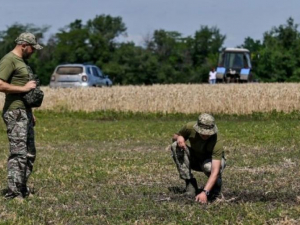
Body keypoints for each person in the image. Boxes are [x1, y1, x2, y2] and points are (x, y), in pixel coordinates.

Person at [0, 32, 43, 199]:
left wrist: (29, 111)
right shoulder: (9, 60)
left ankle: (21, 188)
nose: (33, 51)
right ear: (24, 45)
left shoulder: (22, 62)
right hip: (14, 112)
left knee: (30, 153)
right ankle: (13, 193)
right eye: (32, 48)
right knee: (18, 153)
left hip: (23, 111)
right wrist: (24, 89)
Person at [171, 113, 226, 204]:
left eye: (208, 134)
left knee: (208, 167)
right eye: (202, 133)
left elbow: (215, 170)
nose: (205, 135)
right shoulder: (189, 127)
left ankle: (215, 187)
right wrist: (180, 137)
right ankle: (190, 183)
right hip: (195, 158)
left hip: (210, 162)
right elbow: (175, 136)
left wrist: (205, 192)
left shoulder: (217, 140)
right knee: (175, 146)